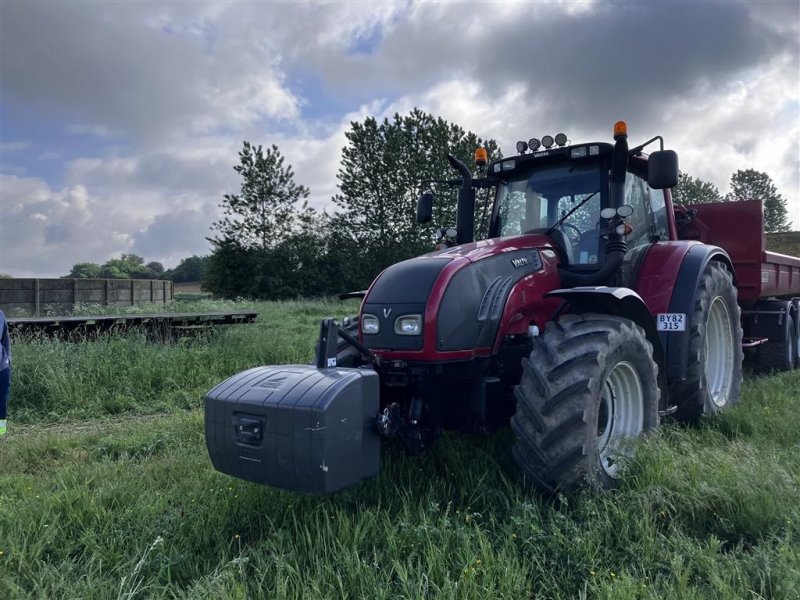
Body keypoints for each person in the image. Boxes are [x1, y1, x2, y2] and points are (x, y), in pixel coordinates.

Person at [0, 309, 9, 439]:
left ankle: (1, 434)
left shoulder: (0, 314)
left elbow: (6, 338)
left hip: (2, 368)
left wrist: (8, 359)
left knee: (2, 402)